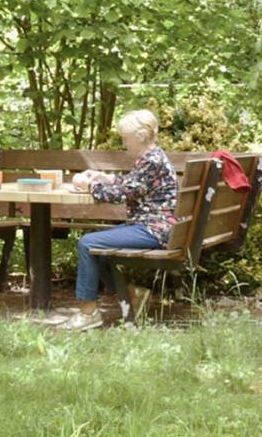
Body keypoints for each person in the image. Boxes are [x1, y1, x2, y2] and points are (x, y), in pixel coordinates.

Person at [60, 110, 177, 330]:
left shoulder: (151, 161)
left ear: (140, 136)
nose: (123, 141)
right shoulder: (152, 157)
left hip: (153, 229)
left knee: (88, 243)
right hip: (156, 225)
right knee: (99, 251)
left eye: (125, 136)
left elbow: (120, 194)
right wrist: (106, 177)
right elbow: (133, 184)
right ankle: (133, 293)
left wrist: (90, 185)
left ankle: (88, 313)